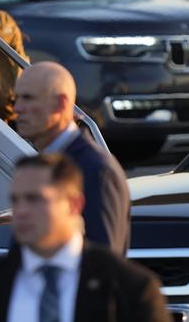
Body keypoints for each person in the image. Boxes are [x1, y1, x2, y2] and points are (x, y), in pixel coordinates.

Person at [0, 154, 170, 322]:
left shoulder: (130, 288)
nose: (20, 211)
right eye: (16, 199)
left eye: (34, 199)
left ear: (74, 204)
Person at [14, 62, 130, 254]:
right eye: (16, 98)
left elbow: (104, 264)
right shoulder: (42, 164)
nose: (17, 108)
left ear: (61, 103)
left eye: (28, 98)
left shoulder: (96, 170)